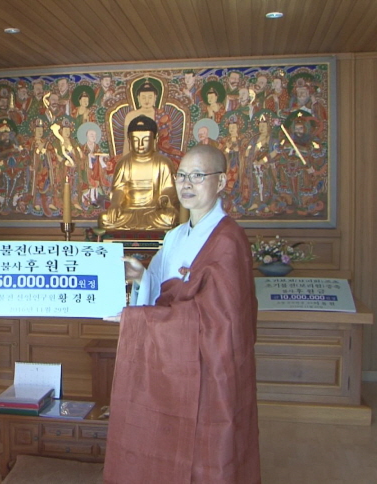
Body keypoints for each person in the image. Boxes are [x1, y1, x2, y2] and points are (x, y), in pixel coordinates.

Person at [104, 145, 261, 484]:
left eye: (198, 176)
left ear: (221, 182)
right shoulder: (174, 236)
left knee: (207, 448)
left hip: (211, 367)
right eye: (182, 176)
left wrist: (138, 320)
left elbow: (220, 322)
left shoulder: (228, 240)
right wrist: (142, 276)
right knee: (165, 436)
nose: (187, 184)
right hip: (173, 360)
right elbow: (162, 290)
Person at [99, 115, 178, 230]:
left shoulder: (163, 163)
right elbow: (119, 189)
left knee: (170, 217)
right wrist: (116, 204)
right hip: (128, 211)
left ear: (155, 139)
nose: (140, 144)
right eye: (136, 140)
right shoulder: (124, 163)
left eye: (145, 140)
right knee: (104, 218)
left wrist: (164, 198)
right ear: (129, 140)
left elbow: (169, 188)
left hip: (154, 210)